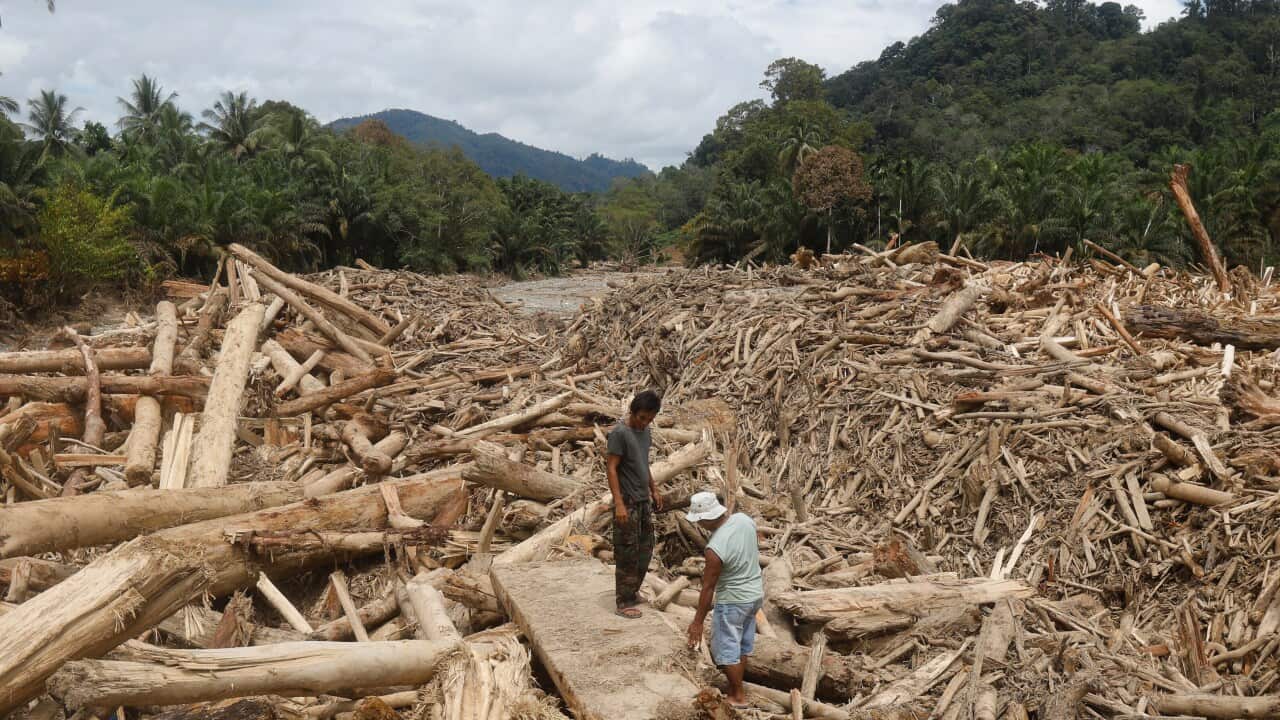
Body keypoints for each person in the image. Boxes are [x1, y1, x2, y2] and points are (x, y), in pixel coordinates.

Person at [685, 491, 764, 709]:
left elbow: (708, 587)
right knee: (742, 644)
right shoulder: (744, 520)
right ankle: (735, 688)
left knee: (726, 646)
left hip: (733, 600)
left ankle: (738, 696)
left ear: (708, 518)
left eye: (700, 519)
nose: (699, 524)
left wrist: (698, 621)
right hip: (755, 594)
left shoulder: (715, 549)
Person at [607, 389, 663, 619]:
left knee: (645, 550)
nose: (644, 423)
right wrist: (619, 504)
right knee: (627, 552)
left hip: (643, 500)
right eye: (641, 418)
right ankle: (623, 601)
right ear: (633, 412)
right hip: (627, 501)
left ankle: (633, 591)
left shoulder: (645, 432)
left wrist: (654, 489)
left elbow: (643, 463)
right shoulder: (620, 433)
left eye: (649, 419)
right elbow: (611, 468)